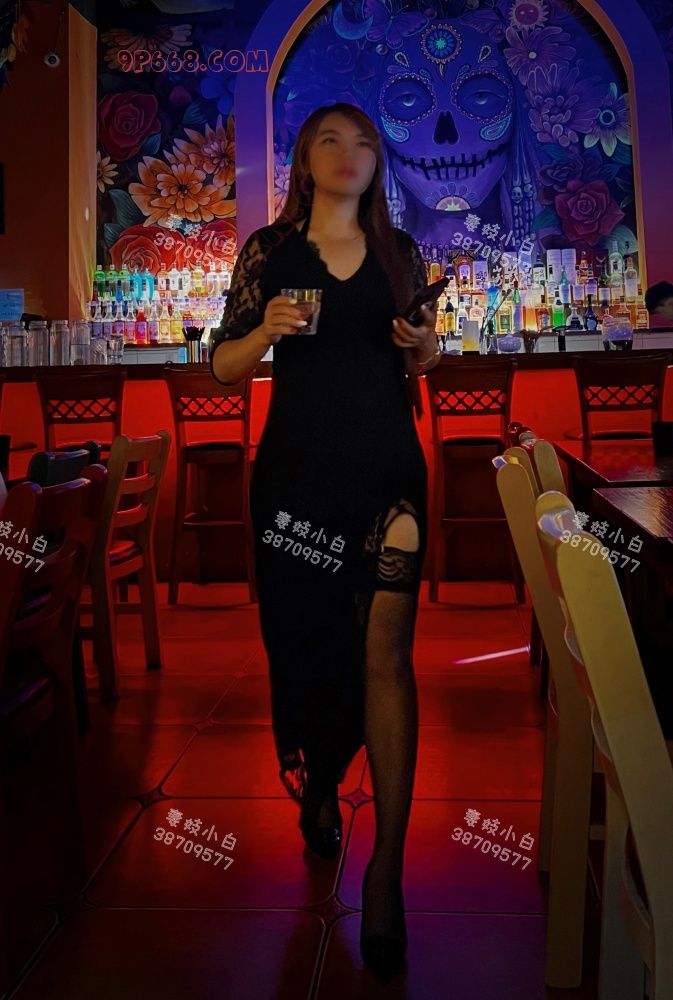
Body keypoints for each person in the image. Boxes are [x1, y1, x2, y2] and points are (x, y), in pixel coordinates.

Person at [209, 102, 440, 978]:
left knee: (387, 656)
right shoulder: (269, 253)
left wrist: (422, 346)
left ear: (378, 163)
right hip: (295, 483)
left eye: (364, 143)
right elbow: (220, 367)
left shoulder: (399, 252)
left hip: (387, 475)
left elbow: (421, 361)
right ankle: (318, 786)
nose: (349, 155)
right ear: (304, 161)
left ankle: (385, 875)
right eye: (330, 142)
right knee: (307, 647)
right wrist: (263, 332)